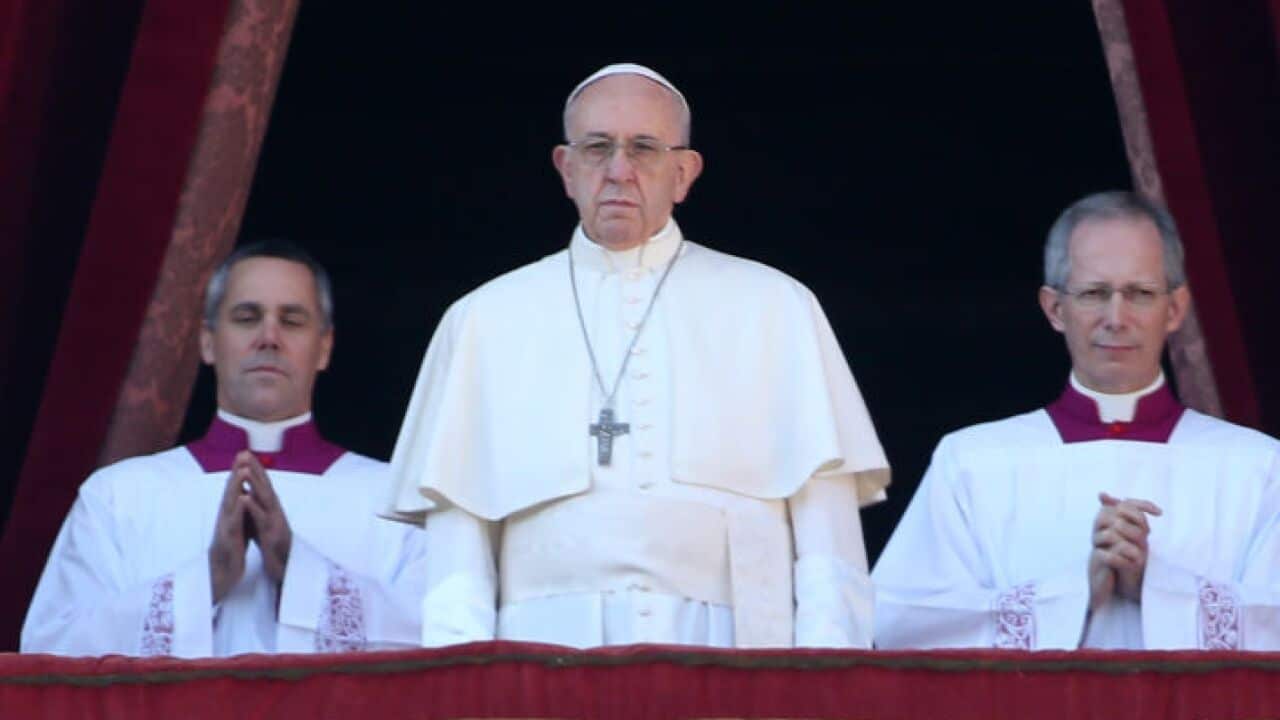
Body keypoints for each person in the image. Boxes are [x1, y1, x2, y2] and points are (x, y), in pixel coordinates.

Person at [383, 63, 890, 649]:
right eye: (597, 149)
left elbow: (830, 549)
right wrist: (465, 686)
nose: (618, 171)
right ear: (566, 169)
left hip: (736, 654)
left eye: (643, 149)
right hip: (542, 662)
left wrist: (826, 682)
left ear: (683, 173)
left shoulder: (777, 306)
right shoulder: (482, 320)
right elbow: (457, 558)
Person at [873, 191, 1280, 650]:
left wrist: (1156, 586)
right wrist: (1074, 593)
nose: (1116, 317)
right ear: (1054, 308)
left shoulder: (1257, 466)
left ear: (1175, 309)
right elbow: (900, 625)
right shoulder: (973, 461)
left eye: (1140, 294)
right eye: (1093, 293)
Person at [22, 241, 428, 657]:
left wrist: (300, 570)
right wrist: (206, 579)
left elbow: (443, 646)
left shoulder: (393, 500)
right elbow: (51, 652)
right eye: (247, 317)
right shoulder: (117, 497)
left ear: (324, 347)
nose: (269, 338)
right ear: (208, 341)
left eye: (292, 320)